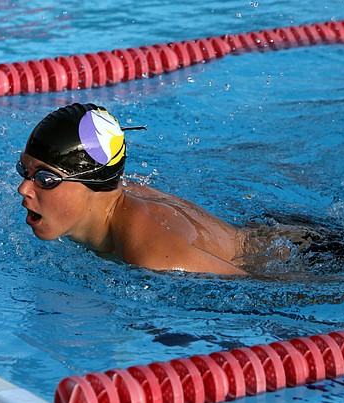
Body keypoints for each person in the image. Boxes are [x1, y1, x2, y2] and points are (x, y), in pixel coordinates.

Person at [15, 102, 250, 275]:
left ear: (93, 183)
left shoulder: (154, 256)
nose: (23, 188)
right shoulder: (114, 197)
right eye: (24, 170)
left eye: (45, 179)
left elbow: (260, 291)